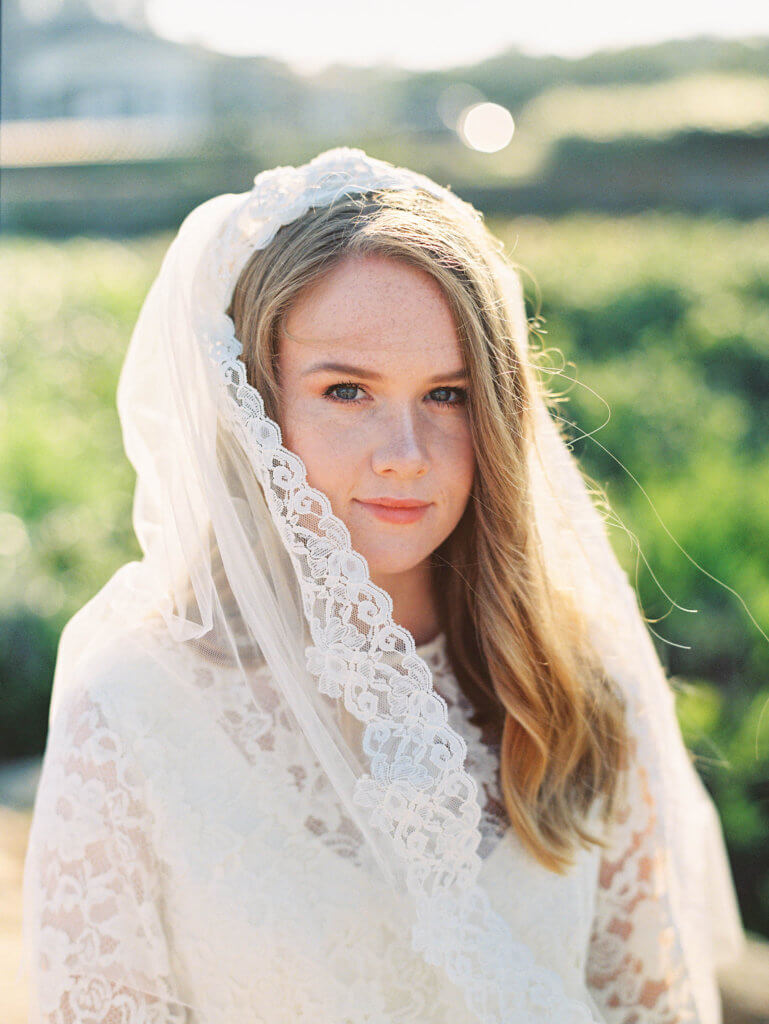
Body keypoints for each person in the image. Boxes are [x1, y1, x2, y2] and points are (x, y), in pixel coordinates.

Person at [19, 147, 745, 1024]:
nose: (405, 452)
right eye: (348, 390)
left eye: (446, 394)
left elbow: (649, 1008)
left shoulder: (577, 684)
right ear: (257, 407)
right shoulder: (135, 711)